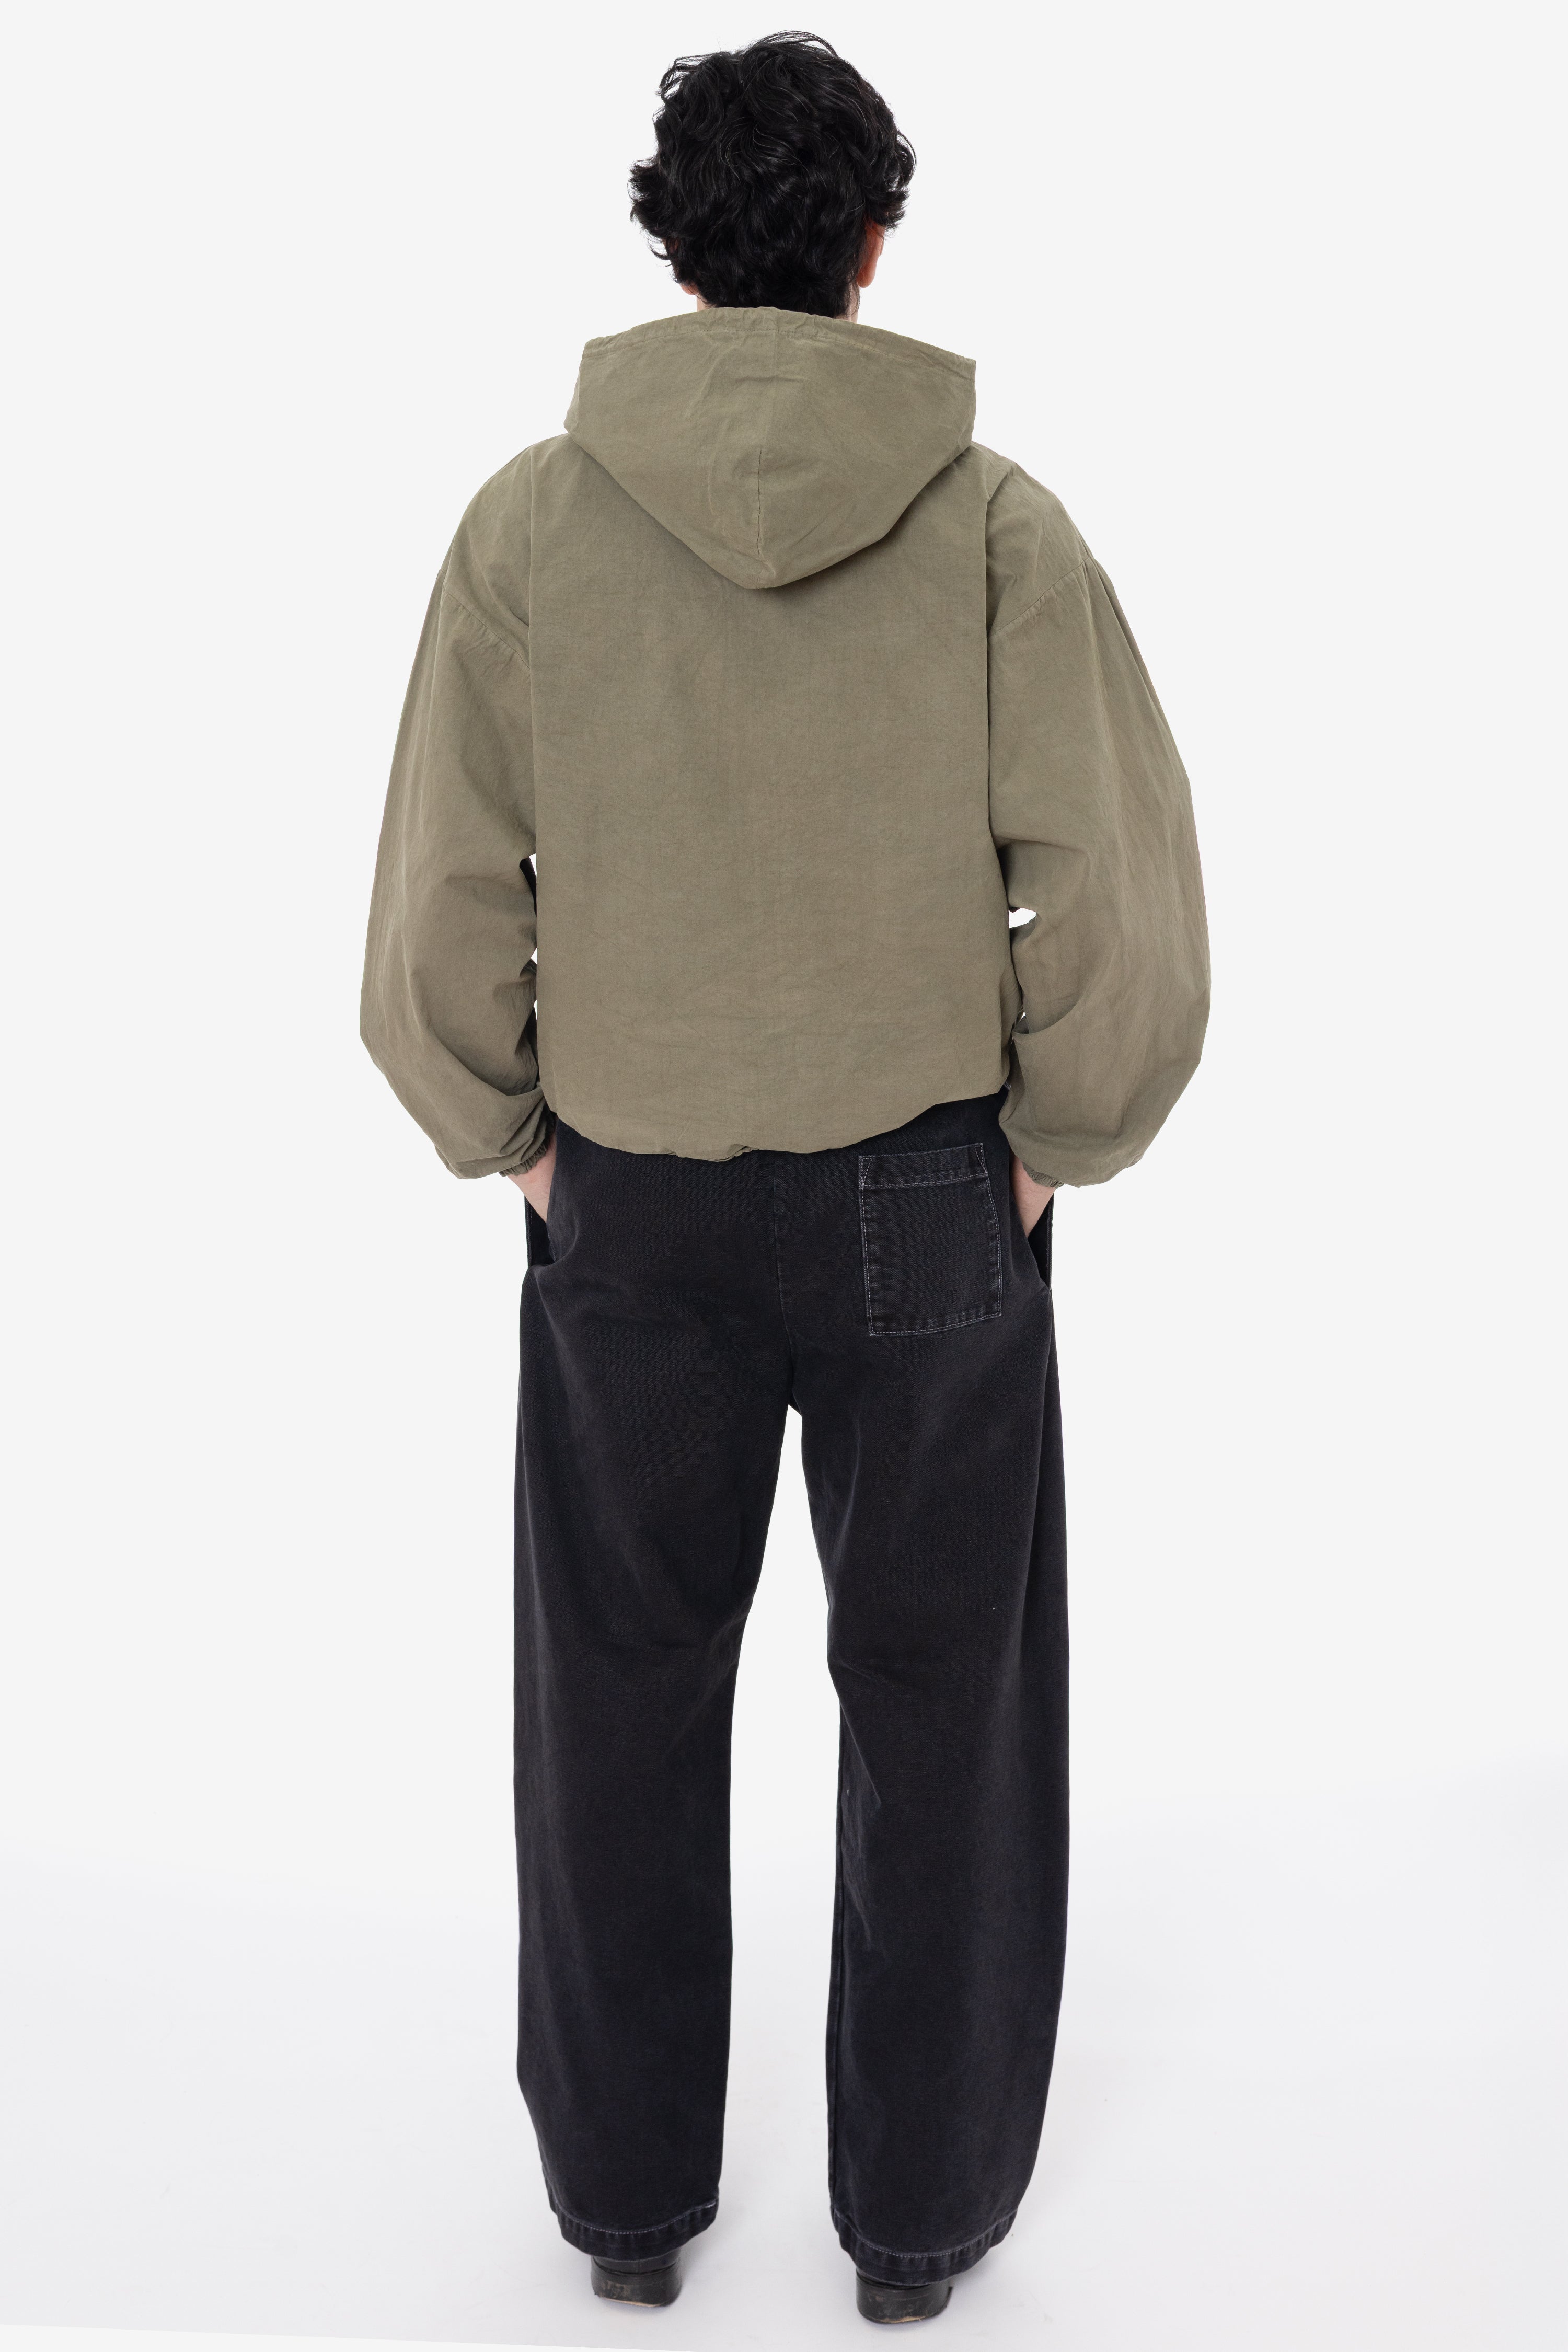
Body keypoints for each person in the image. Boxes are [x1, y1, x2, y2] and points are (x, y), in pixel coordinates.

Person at [361, 30, 1207, 2327]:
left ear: (673, 245)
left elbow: (440, 900)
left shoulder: (530, 527)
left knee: (616, 1702)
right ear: (871, 243)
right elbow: (1117, 895)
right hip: (931, 1194)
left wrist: (517, 1136)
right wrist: (1054, 1143)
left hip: (627, 1191)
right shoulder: (995, 523)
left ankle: (628, 2215)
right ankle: (915, 2235)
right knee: (947, 1710)